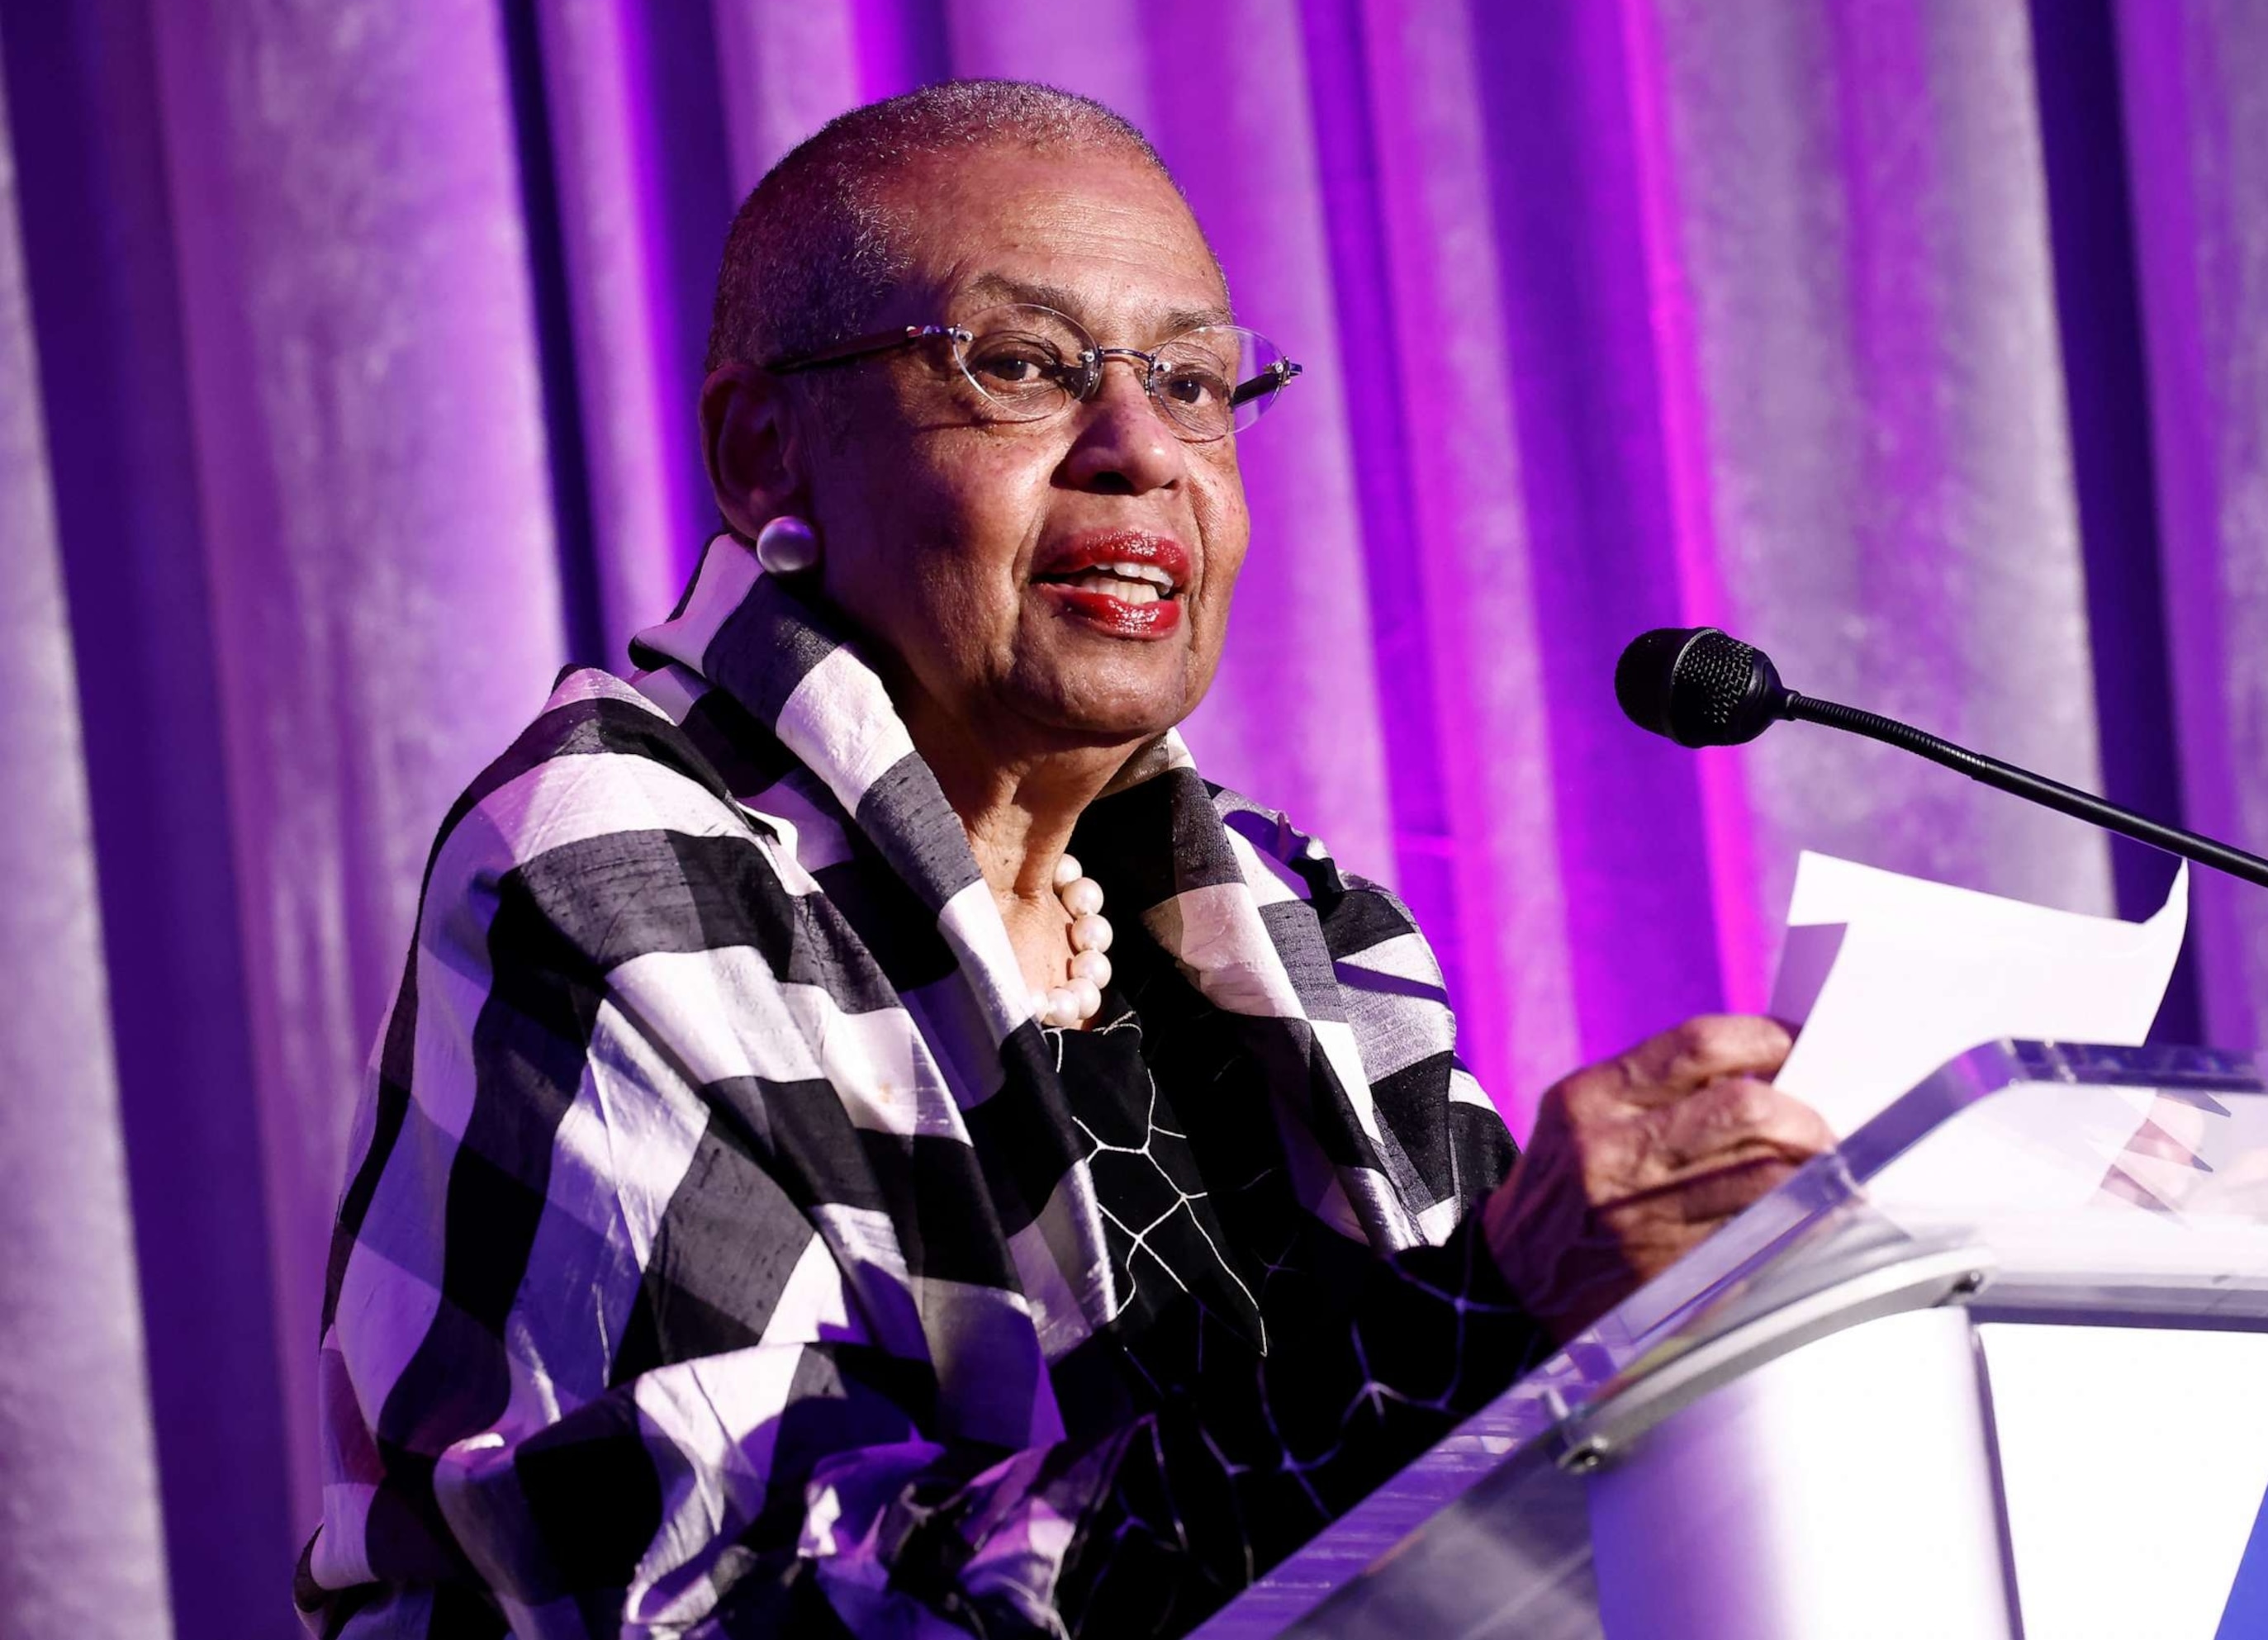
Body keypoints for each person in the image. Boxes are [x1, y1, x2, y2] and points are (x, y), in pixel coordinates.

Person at [297, 79, 1833, 1638]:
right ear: (766, 451)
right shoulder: (617, 870)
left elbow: (1526, 1509)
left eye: (1193, 382)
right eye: (1022, 366)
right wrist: (1489, 1314)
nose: (1141, 451)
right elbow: (759, 1598)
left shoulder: (1306, 923)